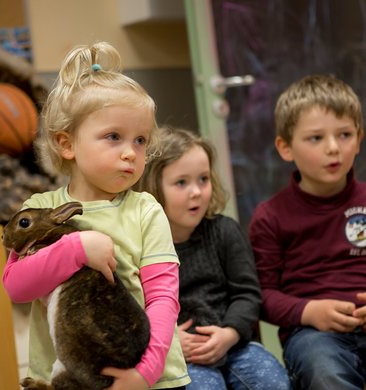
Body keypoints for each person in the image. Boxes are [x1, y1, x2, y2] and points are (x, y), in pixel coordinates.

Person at [2, 41, 190, 390]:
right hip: (66, 379)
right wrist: (75, 249)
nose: (130, 154)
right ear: (67, 144)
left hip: (147, 379)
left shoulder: (145, 210)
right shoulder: (40, 210)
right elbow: (16, 287)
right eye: (114, 137)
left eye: (140, 141)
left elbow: (163, 298)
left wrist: (144, 373)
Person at [136, 126, 291, 390]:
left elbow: (248, 294)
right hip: (179, 354)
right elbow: (136, 306)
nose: (196, 191)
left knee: (272, 381)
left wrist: (229, 334)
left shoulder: (225, 231)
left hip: (234, 344)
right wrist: (169, 343)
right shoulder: (140, 245)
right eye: (181, 182)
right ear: (154, 187)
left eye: (203, 179)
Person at [248, 74, 366, 389]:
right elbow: (261, 296)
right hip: (313, 335)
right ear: (285, 148)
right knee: (324, 370)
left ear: (359, 138)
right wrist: (307, 311)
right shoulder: (270, 216)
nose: (333, 148)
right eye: (316, 138)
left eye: (344, 134)